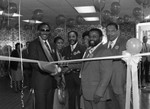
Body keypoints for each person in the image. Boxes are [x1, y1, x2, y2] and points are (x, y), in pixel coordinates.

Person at [28, 22, 60, 109]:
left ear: (50, 32)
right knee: (41, 105)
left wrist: (58, 68)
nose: (45, 32)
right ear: (39, 31)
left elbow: (55, 61)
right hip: (40, 81)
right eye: (43, 30)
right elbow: (34, 63)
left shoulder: (52, 44)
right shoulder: (33, 44)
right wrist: (51, 71)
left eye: (47, 30)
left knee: (49, 105)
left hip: (52, 81)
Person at [80, 28, 113, 109]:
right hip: (87, 91)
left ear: (101, 38)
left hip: (97, 93)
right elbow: (85, 68)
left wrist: (99, 93)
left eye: (95, 36)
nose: (91, 39)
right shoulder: (88, 51)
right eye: (90, 36)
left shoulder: (105, 51)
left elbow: (106, 74)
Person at [62, 31, 86, 109]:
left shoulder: (83, 48)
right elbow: (63, 63)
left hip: (79, 76)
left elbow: (84, 64)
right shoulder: (65, 49)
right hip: (68, 77)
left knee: (80, 98)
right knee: (70, 97)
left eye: (73, 36)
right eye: (69, 37)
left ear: (77, 37)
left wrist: (70, 67)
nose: (71, 38)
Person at [105, 22, 127, 109]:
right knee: (110, 102)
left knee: (122, 101)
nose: (109, 33)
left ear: (118, 31)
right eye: (108, 31)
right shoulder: (104, 45)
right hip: (106, 80)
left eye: (112, 31)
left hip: (119, 80)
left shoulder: (125, 43)